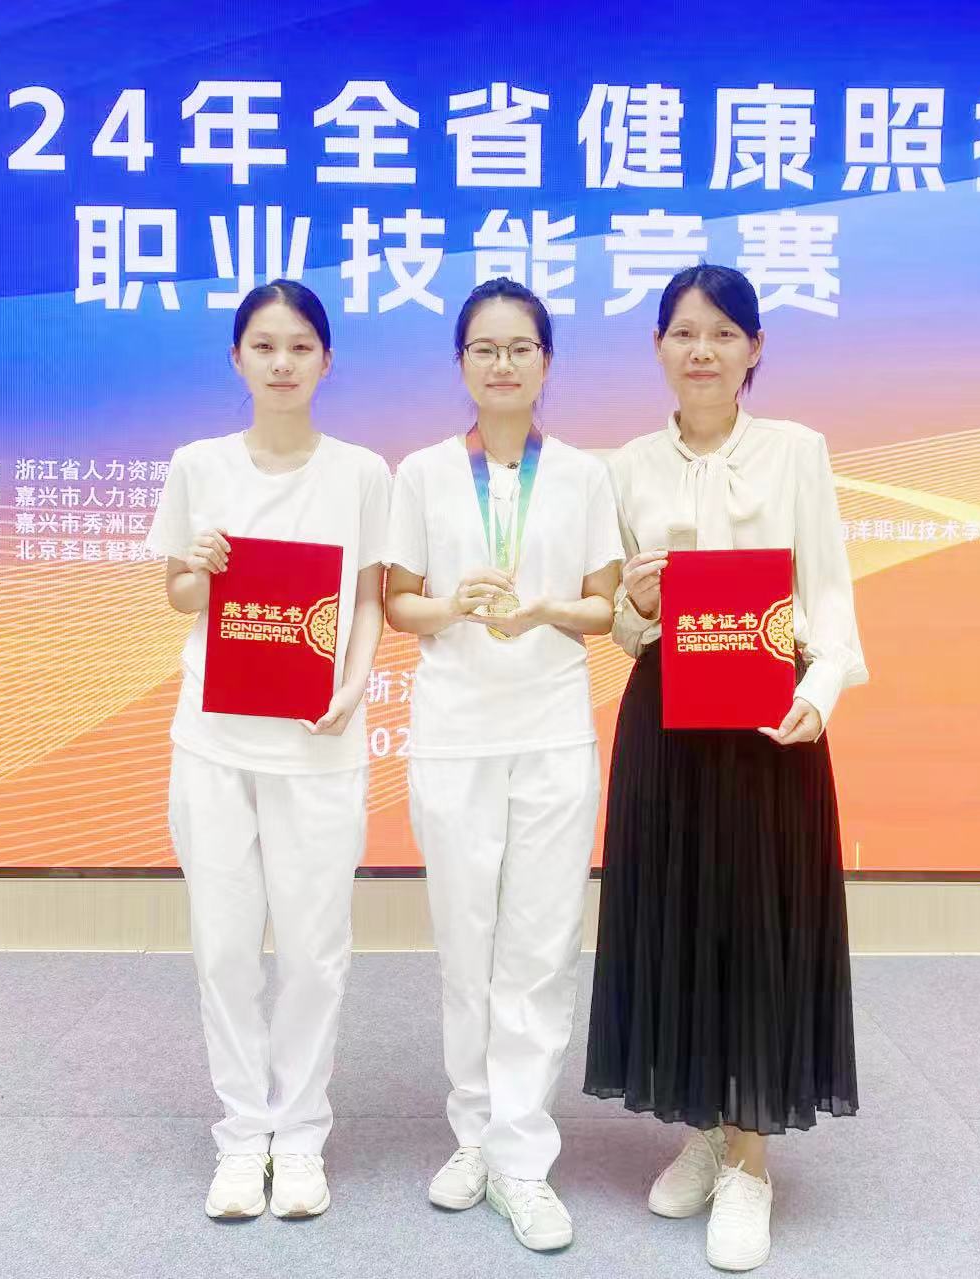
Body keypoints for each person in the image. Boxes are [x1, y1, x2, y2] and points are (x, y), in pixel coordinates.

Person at [584, 264, 868, 1272]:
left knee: (755, 926)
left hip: (764, 724)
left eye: (721, 332)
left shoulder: (795, 451)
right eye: (681, 332)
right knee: (681, 919)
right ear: (657, 347)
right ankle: (705, 1128)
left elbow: (827, 593)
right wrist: (640, 604)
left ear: (754, 348)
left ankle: (751, 1161)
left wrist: (819, 690)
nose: (700, 350)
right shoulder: (624, 466)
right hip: (667, 721)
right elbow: (623, 627)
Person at [384, 278, 623, 1252]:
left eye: (521, 347)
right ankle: (473, 1135)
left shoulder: (584, 476)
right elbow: (398, 601)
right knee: (465, 941)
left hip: (552, 728)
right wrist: (453, 604)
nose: (503, 363)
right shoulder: (421, 474)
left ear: (546, 362)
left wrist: (544, 609)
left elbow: (603, 604)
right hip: (452, 731)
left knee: (538, 944)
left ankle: (521, 1153)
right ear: (461, 363)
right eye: (484, 348)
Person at [144, 280, 390, 1223]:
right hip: (214, 743)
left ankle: (303, 1133)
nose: (282, 362)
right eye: (263, 346)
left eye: (299, 346)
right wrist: (200, 570)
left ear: (327, 360)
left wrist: (353, 685)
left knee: (316, 952)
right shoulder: (198, 464)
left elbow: (366, 598)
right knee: (225, 948)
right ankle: (243, 1136)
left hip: (317, 743)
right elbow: (178, 594)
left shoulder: (361, 472)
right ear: (237, 358)